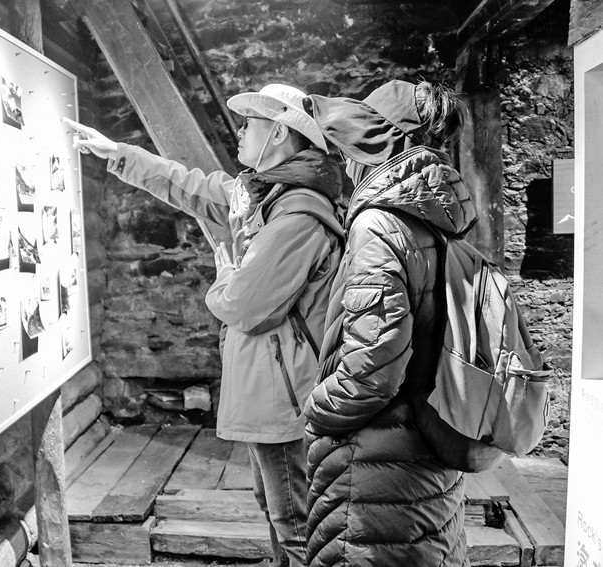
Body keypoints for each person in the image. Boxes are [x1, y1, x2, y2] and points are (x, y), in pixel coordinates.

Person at [64, 83, 345, 567]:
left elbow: (242, 304)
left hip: (287, 397)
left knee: (296, 526)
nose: (240, 132)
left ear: (278, 133)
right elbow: (189, 185)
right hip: (271, 388)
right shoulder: (260, 195)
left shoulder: (296, 215)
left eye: (249, 124)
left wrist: (225, 276)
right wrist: (119, 155)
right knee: (279, 513)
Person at [302, 80, 475, 566]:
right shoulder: (433, 217)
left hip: (375, 470)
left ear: (379, 147)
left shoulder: (379, 225)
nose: (346, 162)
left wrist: (317, 412)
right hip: (426, 449)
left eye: (353, 149)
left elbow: (372, 370)